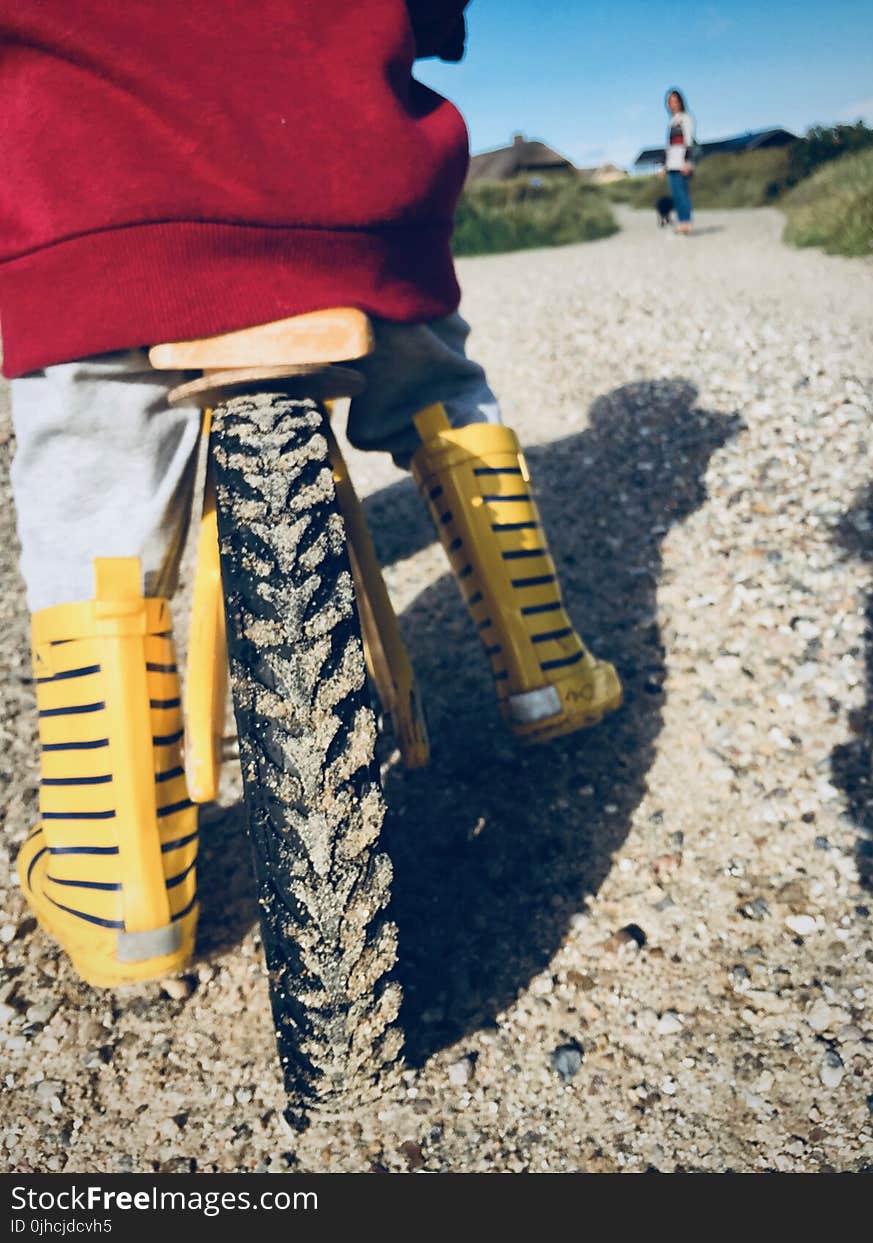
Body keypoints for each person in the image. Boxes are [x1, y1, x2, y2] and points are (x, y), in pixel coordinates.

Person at [0, 3, 621, 989]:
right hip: (345, 199)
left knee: (88, 477)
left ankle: (117, 880)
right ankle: (542, 662)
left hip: (103, 210)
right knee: (437, 381)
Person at [663, 88, 697, 234]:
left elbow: (689, 141)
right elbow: (669, 147)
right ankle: (681, 221)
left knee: (683, 193)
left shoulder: (686, 118)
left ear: (680, 102)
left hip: (682, 163)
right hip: (672, 164)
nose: (672, 104)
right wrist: (665, 166)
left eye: (675, 101)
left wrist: (687, 161)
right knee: (676, 194)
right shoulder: (671, 122)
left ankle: (686, 222)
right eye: (669, 102)